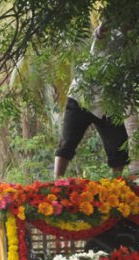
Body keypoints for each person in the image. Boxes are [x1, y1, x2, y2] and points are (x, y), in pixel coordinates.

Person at [54, 22, 129, 177]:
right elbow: (99, 37)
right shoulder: (111, 35)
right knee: (67, 142)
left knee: (119, 147)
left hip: (108, 103)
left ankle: (117, 186)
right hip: (81, 96)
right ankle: (57, 183)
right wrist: (103, 29)